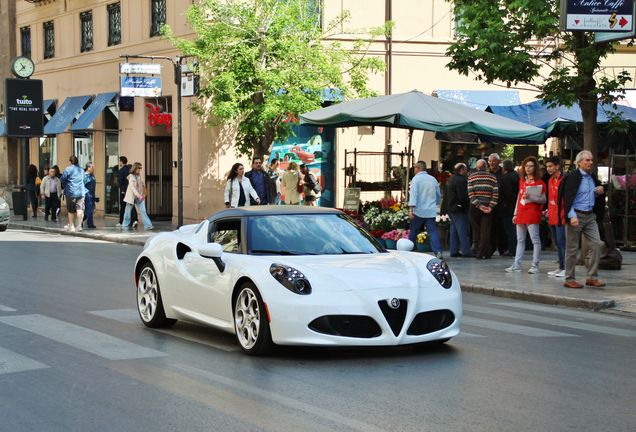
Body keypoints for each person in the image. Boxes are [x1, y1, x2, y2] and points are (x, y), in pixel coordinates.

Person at [558, 150, 606, 288]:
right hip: (576, 215)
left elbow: (588, 197)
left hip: (590, 215)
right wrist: (571, 215)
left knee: (597, 244)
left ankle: (592, 277)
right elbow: (567, 198)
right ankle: (569, 279)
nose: (591, 162)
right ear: (579, 162)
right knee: (572, 248)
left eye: (591, 160)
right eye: (587, 160)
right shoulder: (572, 177)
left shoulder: (592, 177)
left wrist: (598, 192)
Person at [505, 156, 546, 274]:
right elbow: (519, 197)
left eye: (531, 166)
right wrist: (515, 213)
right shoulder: (522, 181)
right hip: (521, 213)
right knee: (520, 239)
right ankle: (516, 264)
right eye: (526, 166)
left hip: (532, 213)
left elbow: (543, 200)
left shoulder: (540, 183)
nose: (528, 168)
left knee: (535, 240)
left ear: (535, 168)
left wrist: (532, 197)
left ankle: (535, 265)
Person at [407, 160, 442, 258]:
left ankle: (409, 250)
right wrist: (436, 204)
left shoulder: (416, 179)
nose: (414, 170)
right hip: (430, 211)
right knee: (432, 231)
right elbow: (438, 196)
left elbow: (413, 195)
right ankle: (438, 251)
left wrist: (411, 210)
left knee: (413, 232)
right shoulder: (433, 179)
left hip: (418, 211)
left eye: (414, 168)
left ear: (418, 168)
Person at [467, 159, 499, 259]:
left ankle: (479, 253)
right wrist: (490, 206)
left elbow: (471, 194)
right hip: (488, 205)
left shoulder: (471, 177)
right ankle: (486, 252)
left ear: (477, 167)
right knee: (485, 230)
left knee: (478, 230)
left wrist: (479, 205)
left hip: (475, 207)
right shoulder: (492, 177)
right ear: (486, 166)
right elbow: (495, 194)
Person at [545, 156, 566, 278]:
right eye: (547, 166)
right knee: (557, 243)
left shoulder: (564, 179)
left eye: (551, 166)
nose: (548, 168)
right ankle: (560, 267)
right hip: (552, 216)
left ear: (557, 166)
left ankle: (565, 268)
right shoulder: (550, 180)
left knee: (562, 242)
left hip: (561, 216)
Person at [446, 163, 473, 257]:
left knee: (454, 231)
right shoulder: (461, 180)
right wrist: (466, 206)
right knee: (463, 230)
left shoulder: (451, 179)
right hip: (459, 208)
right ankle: (466, 251)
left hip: (452, 208)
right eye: (466, 169)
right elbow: (463, 196)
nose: (467, 171)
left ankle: (453, 250)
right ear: (461, 169)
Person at [122, 162, 154, 231]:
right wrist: (138, 195)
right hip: (132, 197)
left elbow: (142, 186)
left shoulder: (139, 176)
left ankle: (148, 225)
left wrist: (143, 194)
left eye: (141, 168)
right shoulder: (131, 176)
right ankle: (125, 225)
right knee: (127, 212)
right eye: (139, 168)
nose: (140, 169)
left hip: (140, 197)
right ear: (135, 168)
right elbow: (132, 187)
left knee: (143, 211)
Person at [60, 155, 86, 232]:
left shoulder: (68, 169)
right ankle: (79, 226)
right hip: (81, 192)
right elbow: (84, 180)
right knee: (80, 209)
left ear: (70, 161)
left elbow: (62, 179)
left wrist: (65, 184)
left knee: (71, 210)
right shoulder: (81, 170)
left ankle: (71, 226)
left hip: (71, 192)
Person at [488, 153, 507, 256]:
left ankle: (502, 248)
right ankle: (491, 247)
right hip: (489, 204)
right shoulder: (487, 172)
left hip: (500, 204)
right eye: (490, 161)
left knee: (501, 228)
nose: (492, 163)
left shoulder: (503, 173)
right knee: (490, 228)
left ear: (499, 162)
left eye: (494, 161)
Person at [500, 159, 520, 257]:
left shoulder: (506, 178)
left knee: (509, 230)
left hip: (508, 207)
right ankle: (516, 249)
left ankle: (512, 250)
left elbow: (508, 193)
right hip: (516, 206)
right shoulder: (517, 176)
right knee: (515, 229)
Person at [116, 156, 137, 228]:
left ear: (121, 162)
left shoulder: (121, 171)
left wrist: (122, 190)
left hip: (124, 191)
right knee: (131, 205)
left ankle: (121, 222)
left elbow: (120, 182)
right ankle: (135, 220)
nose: (119, 162)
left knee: (123, 206)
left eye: (119, 161)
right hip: (132, 190)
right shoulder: (130, 169)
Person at [83, 162, 97, 229]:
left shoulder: (92, 175)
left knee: (90, 210)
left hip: (92, 194)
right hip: (87, 194)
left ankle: (82, 220)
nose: (93, 168)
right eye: (92, 167)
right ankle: (89, 223)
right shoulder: (85, 176)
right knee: (89, 210)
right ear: (88, 168)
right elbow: (82, 186)